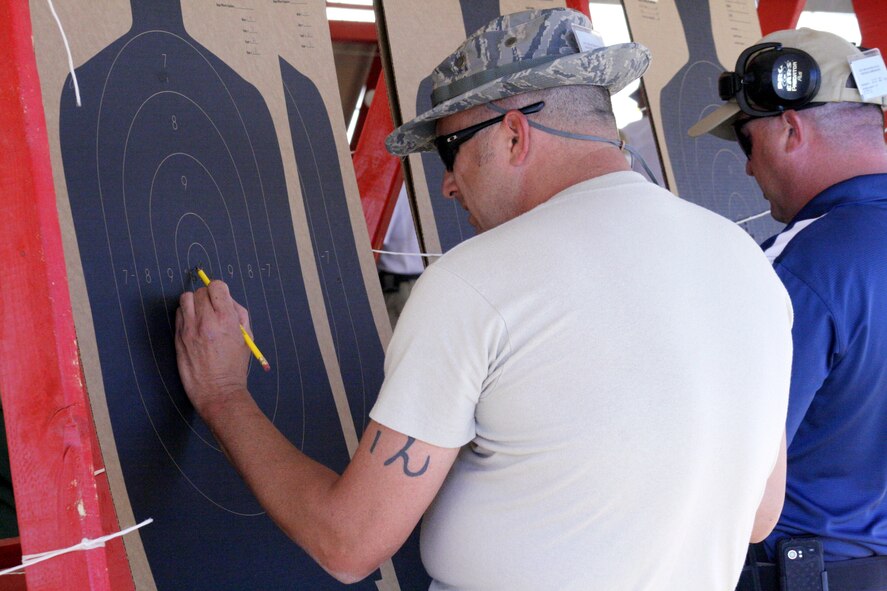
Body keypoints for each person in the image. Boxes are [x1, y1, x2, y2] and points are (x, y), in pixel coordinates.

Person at [176, 8, 792, 589]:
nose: (445, 184)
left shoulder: (478, 279)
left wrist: (224, 396)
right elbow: (760, 515)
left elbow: (348, 542)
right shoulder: (749, 266)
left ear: (515, 135)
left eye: (450, 150)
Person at [690, 27, 887, 589]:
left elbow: (730, 469)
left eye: (745, 143)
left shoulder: (798, 264)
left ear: (792, 129)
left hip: (805, 569)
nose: (748, 169)